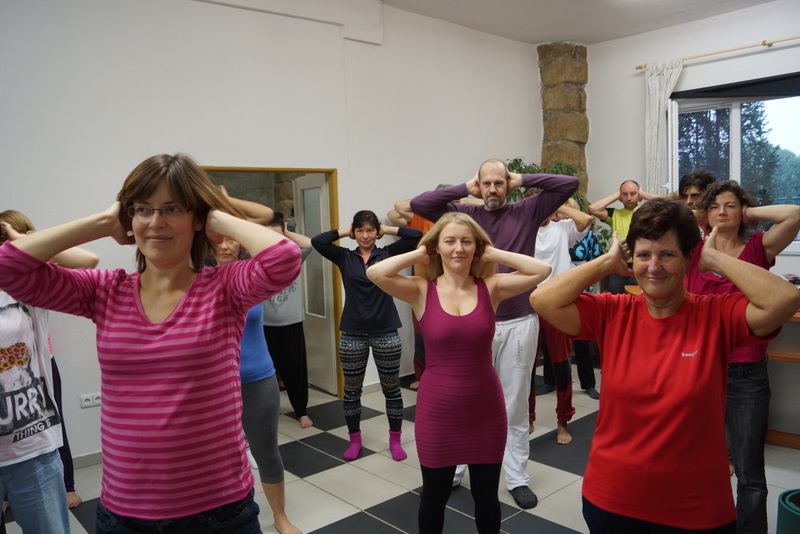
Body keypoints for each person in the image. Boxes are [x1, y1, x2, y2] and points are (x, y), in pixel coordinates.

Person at [0, 154, 302, 533]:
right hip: (125, 512)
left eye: (172, 208)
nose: (156, 222)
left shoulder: (224, 287)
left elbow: (284, 257)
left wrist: (213, 216)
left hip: (218, 511)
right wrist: (103, 222)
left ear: (196, 217)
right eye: (143, 209)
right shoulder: (105, 291)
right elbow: (8, 267)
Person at [530, 198, 800, 533]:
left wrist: (715, 258)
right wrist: (606, 262)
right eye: (644, 255)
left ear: (688, 259)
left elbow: (784, 299)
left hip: (696, 508)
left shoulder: (716, 314)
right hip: (612, 498)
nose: (653, 267)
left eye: (668, 254)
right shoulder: (613, 312)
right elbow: (542, 299)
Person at [367, 212, 551, 534]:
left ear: (476, 247)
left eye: (467, 241)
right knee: (434, 497)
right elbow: (375, 272)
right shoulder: (420, 290)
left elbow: (541, 270)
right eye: (449, 241)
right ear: (437, 247)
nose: (458, 248)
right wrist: (419, 254)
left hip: (485, 411)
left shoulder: (491, 287)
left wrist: (491, 252)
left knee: (486, 497)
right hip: (438, 413)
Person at [410, 158, 578, 508]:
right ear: (478, 184)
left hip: (517, 321)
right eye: (485, 183)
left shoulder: (528, 209)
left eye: (499, 183)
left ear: (508, 184)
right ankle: (454, 468)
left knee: (514, 403)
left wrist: (522, 179)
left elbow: (568, 185)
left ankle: (516, 477)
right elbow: (419, 204)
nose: (492, 190)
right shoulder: (464, 215)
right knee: (462, 400)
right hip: (469, 325)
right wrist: (465, 188)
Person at [686, 180, 800, 534]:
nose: (722, 211)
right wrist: (702, 216)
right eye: (715, 206)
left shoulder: (757, 248)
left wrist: (749, 212)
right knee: (697, 462)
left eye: (730, 205)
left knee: (749, 472)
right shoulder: (692, 251)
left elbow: (794, 214)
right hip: (700, 368)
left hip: (745, 372)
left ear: (742, 211)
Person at [0, 210, 98, 533]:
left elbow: (87, 261)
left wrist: (22, 239)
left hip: (32, 449)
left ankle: (66, 484)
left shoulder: (26, 284)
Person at [311, 211, 422, 461]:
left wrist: (387, 229)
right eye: (360, 230)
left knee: (391, 389)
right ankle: (355, 440)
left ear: (377, 232)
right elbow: (318, 241)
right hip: (352, 333)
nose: (365, 235)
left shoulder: (387, 255)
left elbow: (416, 236)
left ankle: (395, 440)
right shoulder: (344, 257)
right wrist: (345, 232)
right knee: (352, 392)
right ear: (354, 232)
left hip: (386, 331)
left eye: (370, 230)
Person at [212, 235, 301, 534]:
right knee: (217, 458)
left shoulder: (253, 274)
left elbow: (291, 250)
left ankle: (280, 516)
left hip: (258, 377)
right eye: (218, 240)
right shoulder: (196, 278)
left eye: (231, 240)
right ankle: (225, 517)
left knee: (266, 452)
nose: (225, 246)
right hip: (215, 382)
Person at [529, 199, 593, 444]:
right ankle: (528, 418)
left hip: (558, 303)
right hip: (530, 301)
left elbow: (586, 219)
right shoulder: (524, 230)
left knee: (561, 364)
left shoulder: (562, 228)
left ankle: (563, 421)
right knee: (527, 367)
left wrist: (555, 204)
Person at [263, 212, 314, 429]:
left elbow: (309, 244)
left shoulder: (293, 257)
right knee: (265, 374)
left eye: (278, 236)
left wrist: (284, 231)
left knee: (296, 370)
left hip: (291, 323)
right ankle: (266, 413)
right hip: (263, 325)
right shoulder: (253, 257)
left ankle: (301, 411)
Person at [589, 180, 662, 294]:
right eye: (624, 194)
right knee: (614, 294)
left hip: (642, 263)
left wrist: (643, 194)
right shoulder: (614, 214)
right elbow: (593, 209)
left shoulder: (647, 213)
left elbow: (666, 203)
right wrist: (616, 195)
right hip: (618, 263)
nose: (629, 198)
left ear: (639, 195)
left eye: (633, 194)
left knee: (639, 296)